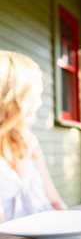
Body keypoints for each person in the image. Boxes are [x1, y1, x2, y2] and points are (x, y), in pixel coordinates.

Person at [0, 50, 66, 222]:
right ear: (12, 100)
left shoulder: (27, 142)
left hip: (51, 238)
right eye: (34, 95)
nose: (39, 102)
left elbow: (55, 201)